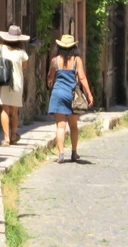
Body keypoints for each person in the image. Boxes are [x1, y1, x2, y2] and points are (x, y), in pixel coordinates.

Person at [46, 34, 94, 163]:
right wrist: (89, 94)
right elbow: (82, 77)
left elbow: (50, 77)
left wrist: (50, 80)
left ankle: (61, 155)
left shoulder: (54, 61)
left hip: (58, 94)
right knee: (73, 126)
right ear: (73, 47)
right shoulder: (77, 60)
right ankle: (74, 153)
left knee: (60, 127)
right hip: (72, 95)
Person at [0, 25, 30, 145]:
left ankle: (6, 138)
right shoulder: (22, 53)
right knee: (14, 111)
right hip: (17, 83)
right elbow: (24, 66)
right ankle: (14, 135)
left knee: (4, 109)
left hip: (3, 81)